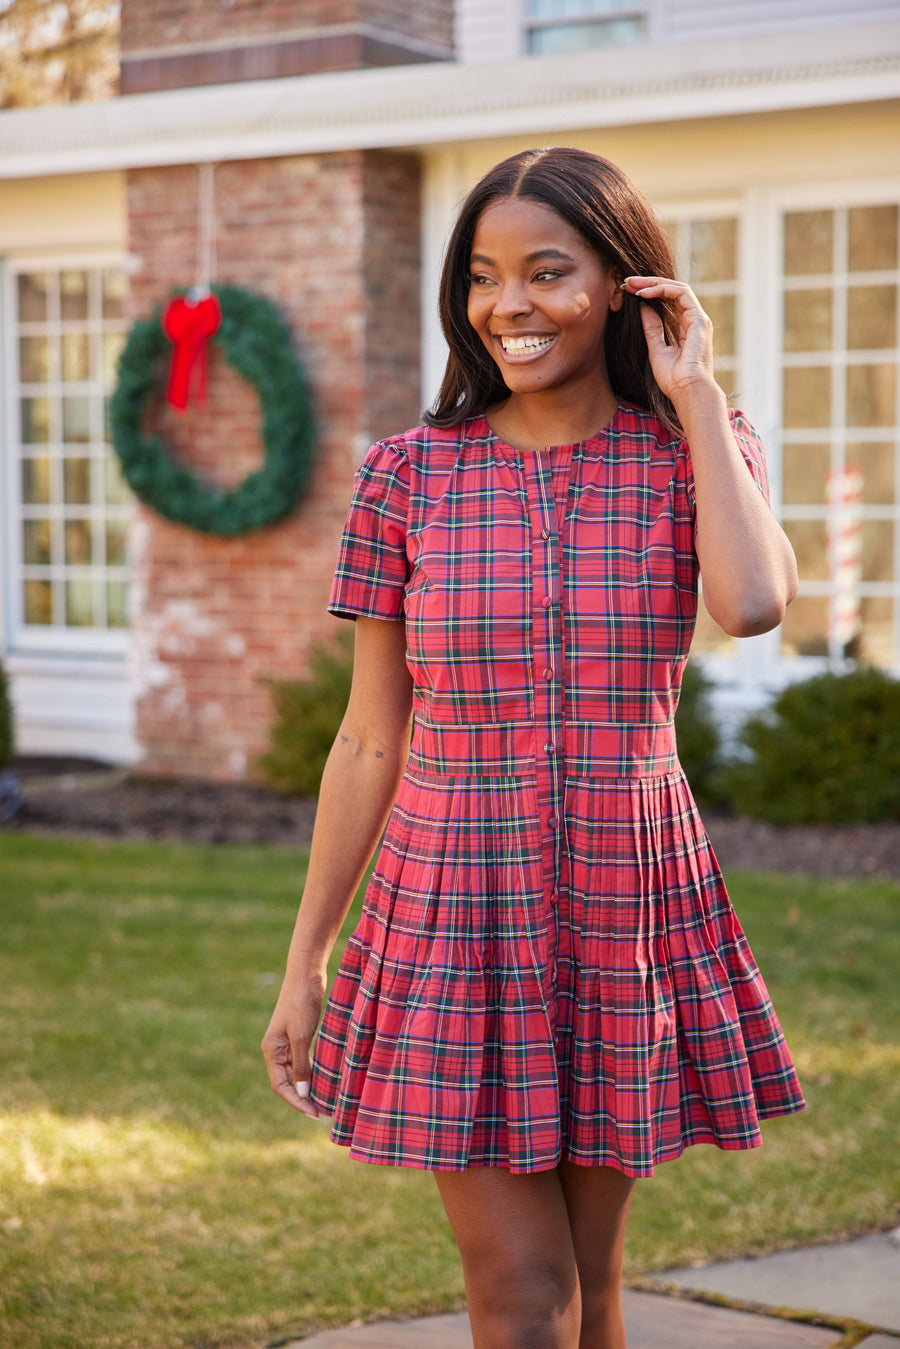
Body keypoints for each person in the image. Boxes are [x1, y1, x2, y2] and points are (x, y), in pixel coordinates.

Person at [262, 146, 806, 1349]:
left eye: (549, 271)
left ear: (625, 284)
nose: (510, 303)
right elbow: (366, 738)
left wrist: (699, 397)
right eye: (485, 276)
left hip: (629, 894)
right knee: (520, 1293)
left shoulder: (693, 452)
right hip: (455, 900)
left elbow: (756, 601)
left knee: (594, 1284)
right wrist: (308, 956)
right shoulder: (409, 476)